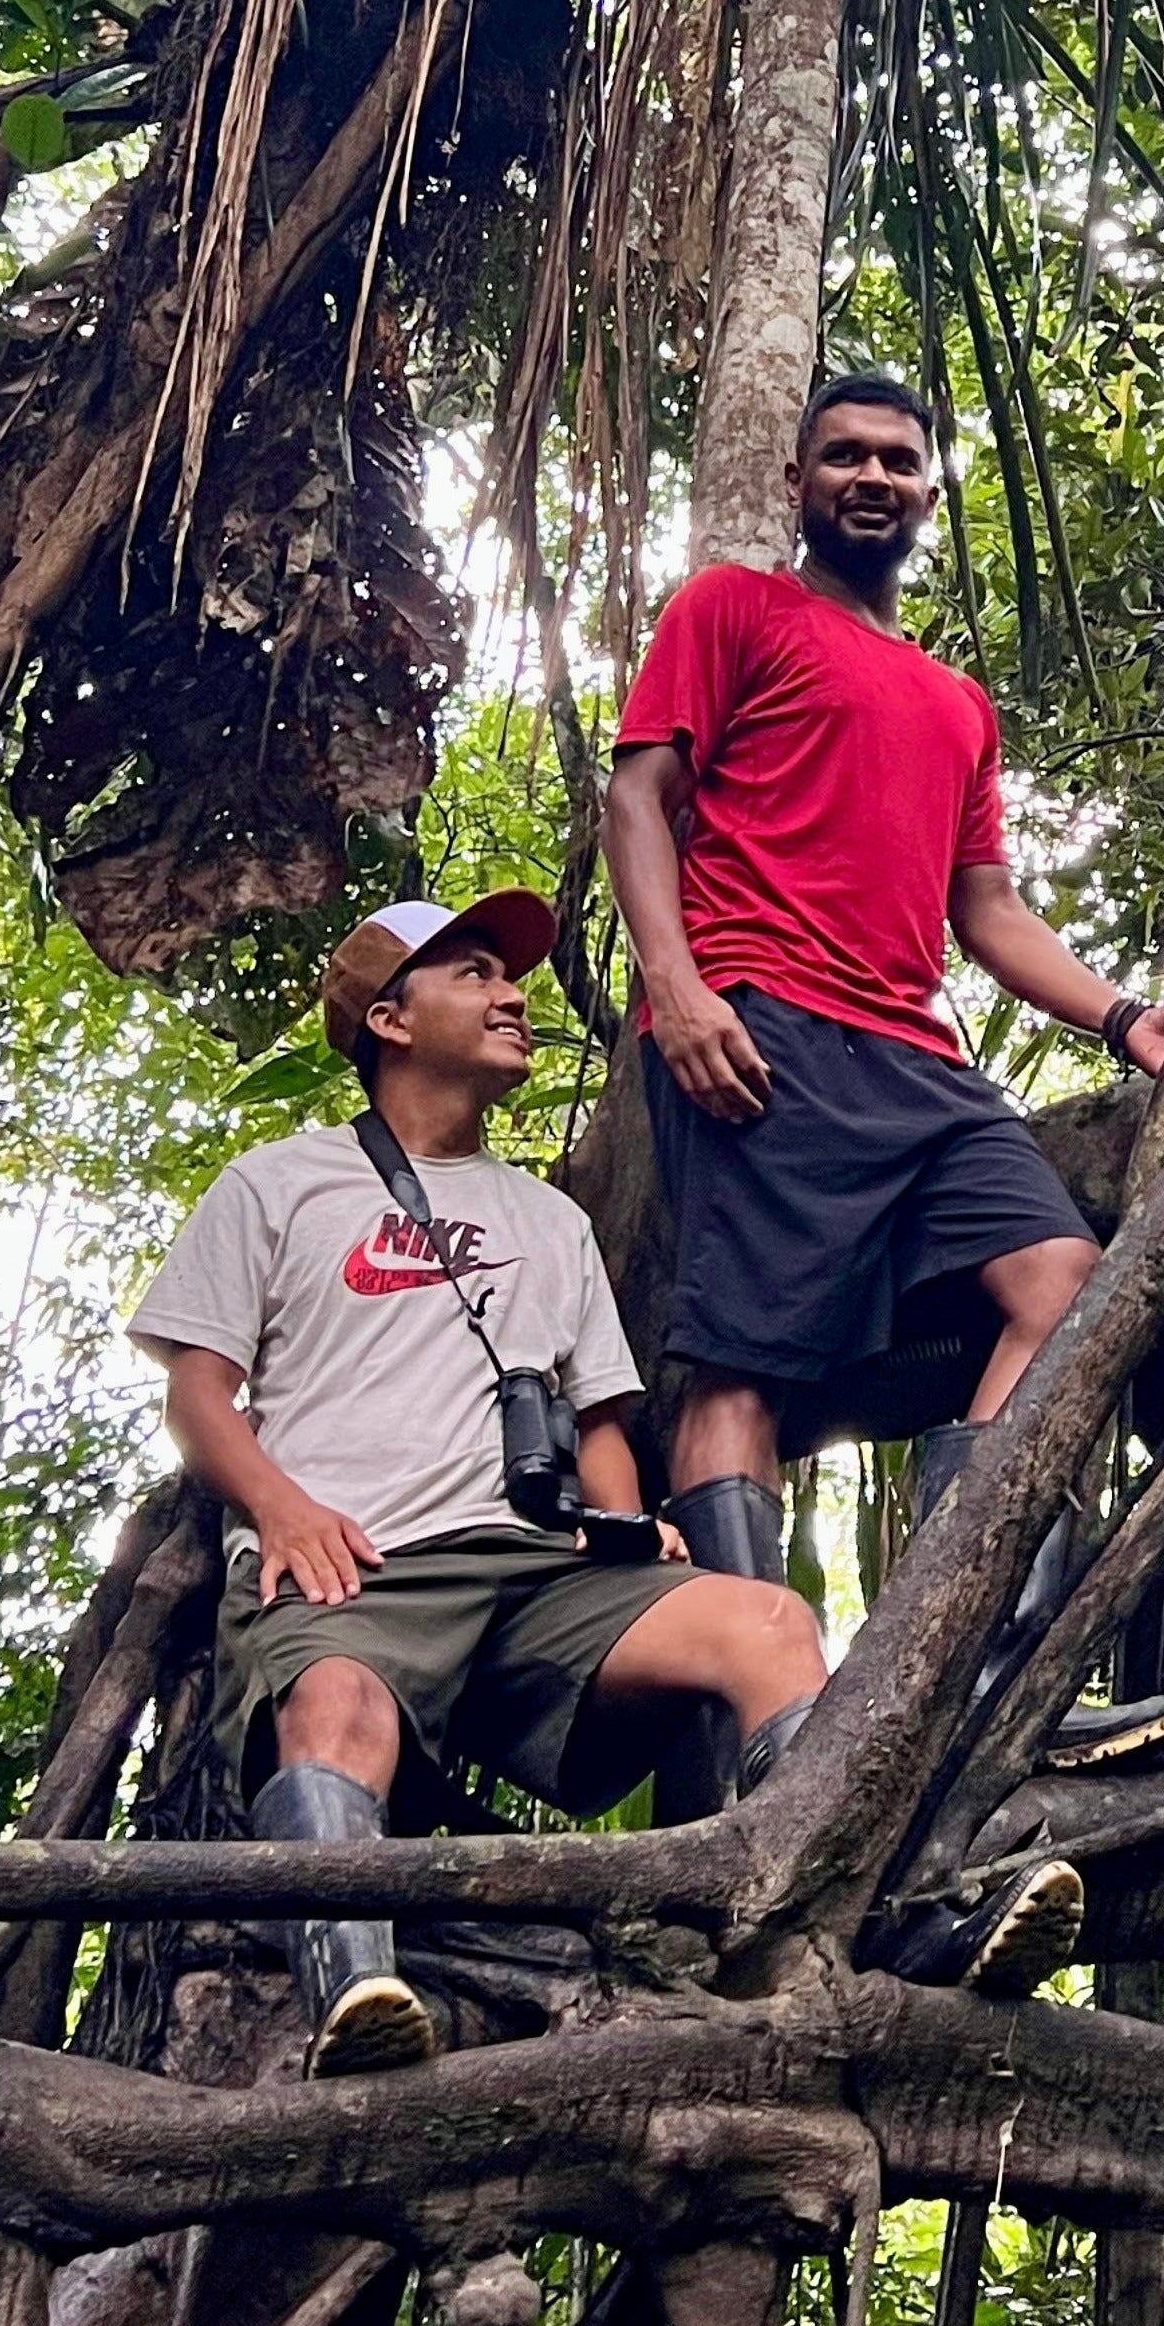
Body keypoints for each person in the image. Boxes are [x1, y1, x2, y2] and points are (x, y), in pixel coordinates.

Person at [132, 888, 1080, 2076]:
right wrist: (278, 1505)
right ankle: (358, 1995)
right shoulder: (278, 1184)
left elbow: (599, 1423)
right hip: (352, 1562)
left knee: (767, 1622)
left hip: (533, 1574)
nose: (509, 993)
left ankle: (849, 1919)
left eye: (507, 973)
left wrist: (625, 1528)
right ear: (387, 1017)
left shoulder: (553, 1221)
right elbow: (199, 1393)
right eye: (472, 972)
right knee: (338, 1709)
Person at [604, 371, 1164, 1776]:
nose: (871, 475)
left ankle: (970, 1669)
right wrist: (680, 989)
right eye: (843, 455)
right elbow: (637, 790)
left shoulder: (956, 699)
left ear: (929, 490)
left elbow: (985, 907)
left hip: (918, 1054)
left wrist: (1124, 1014)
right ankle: (769, 1714)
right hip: (761, 1018)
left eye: (898, 457)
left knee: (1063, 1280)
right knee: (741, 1359)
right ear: (797, 485)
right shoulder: (733, 611)